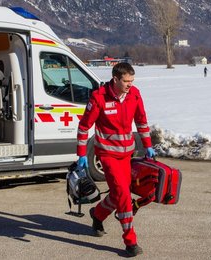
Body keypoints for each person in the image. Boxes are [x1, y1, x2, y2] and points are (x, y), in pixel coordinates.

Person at [76, 62, 155, 257]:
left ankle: (98, 214)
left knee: (119, 194)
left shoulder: (134, 94)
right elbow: (84, 127)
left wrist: (148, 145)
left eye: (132, 80)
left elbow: (142, 121)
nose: (130, 84)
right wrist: (81, 154)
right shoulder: (99, 97)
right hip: (107, 155)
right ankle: (130, 241)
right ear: (115, 79)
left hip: (127, 154)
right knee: (123, 195)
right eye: (126, 81)